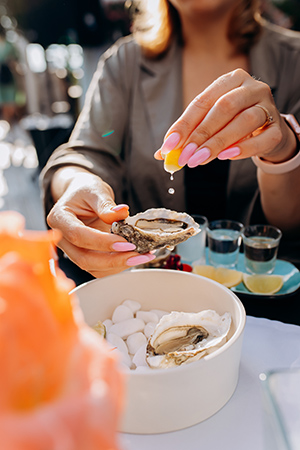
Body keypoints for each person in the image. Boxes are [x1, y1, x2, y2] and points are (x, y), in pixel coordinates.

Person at [41, 0, 300, 284]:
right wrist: (75, 184)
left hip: (267, 303)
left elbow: (291, 226)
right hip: (143, 292)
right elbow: (86, 154)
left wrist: (284, 154)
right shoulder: (124, 62)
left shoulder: (295, 62)